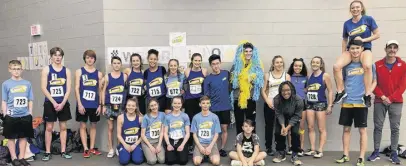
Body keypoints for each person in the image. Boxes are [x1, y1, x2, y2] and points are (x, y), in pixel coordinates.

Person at [335, 39, 377, 166]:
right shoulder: (345, 65)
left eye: (357, 48)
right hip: (347, 101)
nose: (355, 51)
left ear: (362, 49)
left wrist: (368, 93)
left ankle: (360, 158)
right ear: (349, 50)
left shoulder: (368, 65)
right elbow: (340, 80)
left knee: (362, 131)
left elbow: (374, 81)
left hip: (361, 102)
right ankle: (345, 155)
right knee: (346, 129)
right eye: (352, 48)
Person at [333, 0, 380, 108]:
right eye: (353, 8)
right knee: (336, 66)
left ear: (361, 8)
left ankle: (367, 94)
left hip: (365, 48)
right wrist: (344, 52)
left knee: (367, 66)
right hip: (351, 49)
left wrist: (364, 40)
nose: (355, 9)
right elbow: (345, 39)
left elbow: (377, 35)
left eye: (357, 7)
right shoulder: (347, 23)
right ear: (350, 10)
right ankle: (340, 91)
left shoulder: (368, 19)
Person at [368, 40, 406, 164]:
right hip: (380, 101)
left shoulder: (403, 65)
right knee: (378, 127)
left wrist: (392, 98)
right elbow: (373, 83)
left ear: (397, 50)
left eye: (395, 48)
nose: (392, 50)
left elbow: (403, 85)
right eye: (390, 47)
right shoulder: (377, 64)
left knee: (395, 128)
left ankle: (394, 153)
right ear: (386, 49)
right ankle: (376, 152)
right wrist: (383, 97)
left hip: (396, 102)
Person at [40, 47, 72, 161]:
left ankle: (63, 150)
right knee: (49, 127)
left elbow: (68, 89)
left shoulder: (66, 71)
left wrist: (62, 103)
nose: (57, 57)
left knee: (63, 127)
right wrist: (53, 102)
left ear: (62, 57)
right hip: (50, 102)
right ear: (51, 57)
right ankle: (47, 152)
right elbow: (43, 88)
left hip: (63, 103)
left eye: (59, 55)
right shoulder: (46, 70)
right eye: (55, 55)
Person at [1, 60, 34, 166]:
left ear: (22, 70)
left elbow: (30, 99)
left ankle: (22, 158)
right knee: (11, 137)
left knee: (23, 137)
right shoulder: (6, 84)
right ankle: (14, 158)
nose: (16, 71)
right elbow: (4, 100)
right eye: (14, 69)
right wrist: (5, 114)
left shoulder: (27, 83)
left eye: (18, 69)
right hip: (11, 115)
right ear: (10, 70)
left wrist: (30, 112)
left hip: (24, 115)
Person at [230, 42, 264, 136]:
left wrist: (253, 78)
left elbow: (260, 82)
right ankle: (239, 145)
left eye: (250, 51)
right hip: (238, 98)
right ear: (242, 52)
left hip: (250, 98)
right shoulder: (236, 66)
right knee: (240, 123)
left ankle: (252, 145)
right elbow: (233, 84)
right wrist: (242, 78)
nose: (248, 53)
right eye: (246, 51)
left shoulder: (256, 66)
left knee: (251, 123)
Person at [74, 50, 103, 158]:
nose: (90, 59)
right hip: (83, 104)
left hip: (94, 104)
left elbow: (100, 91)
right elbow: (76, 88)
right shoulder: (79, 72)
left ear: (94, 59)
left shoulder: (99, 74)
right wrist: (80, 104)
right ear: (84, 59)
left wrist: (100, 105)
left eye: (91, 58)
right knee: (82, 125)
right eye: (87, 57)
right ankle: (85, 148)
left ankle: (91, 148)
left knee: (93, 125)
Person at [261, 55, 290, 156]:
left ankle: (281, 147)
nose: (279, 64)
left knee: (281, 126)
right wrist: (267, 100)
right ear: (273, 64)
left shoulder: (286, 76)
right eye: (277, 62)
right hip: (270, 105)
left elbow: (289, 92)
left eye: (281, 62)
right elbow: (263, 90)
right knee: (269, 126)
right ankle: (268, 147)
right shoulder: (267, 75)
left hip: (282, 105)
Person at [304, 56, 333, 158]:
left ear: (321, 64)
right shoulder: (309, 76)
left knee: (321, 128)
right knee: (310, 127)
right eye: (313, 62)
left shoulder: (325, 76)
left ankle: (320, 150)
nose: (315, 64)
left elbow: (330, 90)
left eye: (317, 62)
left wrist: (330, 105)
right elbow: (306, 89)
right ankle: (312, 149)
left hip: (320, 103)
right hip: (310, 104)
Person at [204, 54, 232, 157]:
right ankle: (212, 148)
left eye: (217, 63)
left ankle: (222, 149)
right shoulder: (208, 79)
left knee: (224, 129)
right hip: (213, 109)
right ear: (211, 65)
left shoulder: (227, 74)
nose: (216, 66)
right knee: (213, 131)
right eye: (213, 64)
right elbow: (206, 95)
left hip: (225, 107)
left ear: (220, 63)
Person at [272, 81, 303, 166]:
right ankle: (281, 153)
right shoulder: (276, 99)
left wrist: (287, 127)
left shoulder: (299, 100)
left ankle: (295, 155)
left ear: (292, 90)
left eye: (288, 90)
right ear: (280, 91)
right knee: (278, 132)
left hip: (293, 117)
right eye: (283, 90)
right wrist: (283, 126)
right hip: (282, 117)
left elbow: (297, 116)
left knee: (295, 133)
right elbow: (278, 114)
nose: (285, 92)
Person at [102, 56, 127, 158]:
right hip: (109, 106)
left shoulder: (124, 76)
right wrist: (103, 105)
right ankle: (111, 148)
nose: (116, 65)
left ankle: (118, 147)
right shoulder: (107, 77)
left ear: (121, 65)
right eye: (114, 63)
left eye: (118, 63)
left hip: (121, 106)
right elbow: (102, 91)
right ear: (112, 64)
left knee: (120, 128)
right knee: (111, 127)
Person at [183, 53, 207, 154]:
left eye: (199, 60)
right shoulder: (187, 71)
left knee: (200, 123)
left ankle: (200, 144)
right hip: (189, 100)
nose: (197, 62)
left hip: (200, 100)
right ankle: (189, 145)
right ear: (192, 61)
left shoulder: (204, 71)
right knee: (190, 122)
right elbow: (182, 83)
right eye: (195, 60)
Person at [191, 96, 221, 166]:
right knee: (196, 162)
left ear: (210, 104)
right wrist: (200, 146)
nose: (205, 105)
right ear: (200, 104)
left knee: (216, 162)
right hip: (200, 144)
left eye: (207, 103)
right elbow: (194, 134)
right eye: (203, 103)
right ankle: (203, 156)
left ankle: (208, 155)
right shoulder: (196, 117)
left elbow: (216, 134)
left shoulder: (215, 117)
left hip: (211, 144)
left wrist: (210, 147)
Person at [287, 58, 308, 156]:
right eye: (296, 65)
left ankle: (300, 147)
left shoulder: (306, 77)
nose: (297, 67)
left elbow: (308, 89)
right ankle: (291, 147)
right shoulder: (288, 77)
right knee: (290, 126)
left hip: (302, 104)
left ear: (302, 67)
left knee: (301, 127)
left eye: (300, 66)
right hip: (290, 104)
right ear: (293, 66)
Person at [117, 98, 144, 165]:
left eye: (133, 106)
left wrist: (135, 145)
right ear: (126, 106)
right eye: (129, 105)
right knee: (124, 161)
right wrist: (125, 145)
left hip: (136, 144)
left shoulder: (141, 118)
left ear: (136, 107)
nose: (130, 107)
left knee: (138, 161)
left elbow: (143, 135)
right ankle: (121, 150)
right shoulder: (120, 117)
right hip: (125, 143)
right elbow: (118, 135)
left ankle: (134, 153)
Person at [164, 96, 190, 165]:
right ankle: (174, 154)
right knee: (169, 162)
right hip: (171, 139)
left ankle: (179, 153)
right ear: (172, 104)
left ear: (181, 104)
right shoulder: (167, 117)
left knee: (183, 161)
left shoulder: (185, 116)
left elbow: (187, 133)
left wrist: (182, 145)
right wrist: (168, 144)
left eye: (179, 103)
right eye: (175, 103)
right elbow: (165, 133)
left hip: (181, 139)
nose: (177, 105)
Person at [141, 98, 165, 165]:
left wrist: (159, 145)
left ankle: (153, 153)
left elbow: (162, 132)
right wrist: (150, 147)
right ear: (149, 107)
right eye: (152, 106)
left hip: (157, 141)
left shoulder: (162, 115)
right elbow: (142, 134)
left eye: (155, 105)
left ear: (158, 105)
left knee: (162, 160)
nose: (154, 107)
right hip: (148, 141)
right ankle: (147, 152)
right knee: (152, 161)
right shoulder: (146, 117)